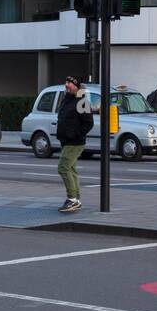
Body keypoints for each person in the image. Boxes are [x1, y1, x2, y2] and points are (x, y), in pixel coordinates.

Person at [56, 75, 94, 213]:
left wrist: (76, 134)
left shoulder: (82, 102)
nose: (67, 85)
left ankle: (72, 199)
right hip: (66, 141)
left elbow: (89, 123)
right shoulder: (68, 99)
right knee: (71, 169)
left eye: (70, 83)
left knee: (63, 168)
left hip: (74, 142)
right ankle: (76, 199)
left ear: (76, 86)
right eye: (66, 82)